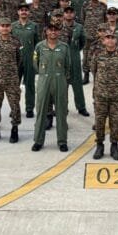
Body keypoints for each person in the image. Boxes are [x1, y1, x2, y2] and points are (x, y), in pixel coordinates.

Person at [91, 30, 118, 160]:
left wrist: (117, 82)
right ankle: (99, 145)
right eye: (107, 38)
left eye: (112, 38)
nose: (110, 40)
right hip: (100, 94)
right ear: (103, 41)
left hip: (116, 95)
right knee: (99, 120)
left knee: (115, 121)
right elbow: (94, 70)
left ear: (116, 40)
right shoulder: (97, 54)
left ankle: (114, 146)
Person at [32, 23, 71, 152]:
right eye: (50, 30)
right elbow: (35, 63)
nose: (53, 32)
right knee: (41, 111)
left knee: (61, 112)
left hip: (60, 80)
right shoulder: (39, 46)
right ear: (46, 32)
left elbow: (68, 65)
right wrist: (43, 74)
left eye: (56, 30)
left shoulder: (64, 47)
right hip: (44, 80)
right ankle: (38, 141)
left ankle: (62, 141)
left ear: (59, 32)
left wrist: (62, 76)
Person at [0, 17, 22, 143]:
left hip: (12, 80)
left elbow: (19, 59)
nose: (5, 28)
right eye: (2, 26)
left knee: (15, 105)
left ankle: (15, 129)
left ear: (10, 28)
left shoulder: (16, 42)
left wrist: (10, 70)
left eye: (7, 26)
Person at [59, 6, 89, 116]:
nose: (69, 14)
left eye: (71, 12)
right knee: (63, 86)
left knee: (77, 85)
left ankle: (81, 107)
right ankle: (63, 107)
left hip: (75, 58)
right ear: (63, 14)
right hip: (61, 59)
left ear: (74, 14)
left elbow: (83, 41)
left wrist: (75, 51)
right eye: (66, 12)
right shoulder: (58, 27)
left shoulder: (79, 27)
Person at [12, 4, 39, 118]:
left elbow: (37, 44)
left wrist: (36, 60)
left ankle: (29, 108)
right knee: (14, 86)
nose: (23, 12)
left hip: (29, 59)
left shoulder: (34, 26)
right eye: (21, 10)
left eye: (26, 10)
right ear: (18, 12)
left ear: (29, 12)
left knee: (30, 85)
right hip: (16, 59)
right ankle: (14, 108)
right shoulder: (13, 26)